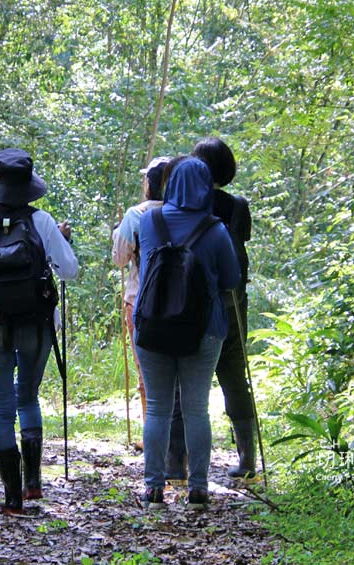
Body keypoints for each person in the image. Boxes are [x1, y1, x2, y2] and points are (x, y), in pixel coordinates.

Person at [0, 148, 78, 515]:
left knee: (0, 409)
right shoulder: (42, 221)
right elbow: (69, 271)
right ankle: (33, 482)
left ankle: (11, 498)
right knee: (28, 398)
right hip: (36, 326)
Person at [134, 156, 240, 509]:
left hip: (152, 325)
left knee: (158, 409)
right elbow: (231, 280)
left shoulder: (149, 221)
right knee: (196, 409)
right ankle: (198, 489)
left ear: (171, 185)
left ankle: (153, 488)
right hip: (203, 329)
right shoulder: (215, 230)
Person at [167, 138, 258, 479]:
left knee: (182, 379)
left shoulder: (185, 205)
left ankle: (176, 462)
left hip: (188, 303)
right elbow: (240, 245)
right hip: (232, 300)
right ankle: (247, 459)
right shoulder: (237, 206)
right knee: (234, 375)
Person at [111, 156, 170, 450]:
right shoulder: (186, 213)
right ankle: (173, 439)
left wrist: (117, 234)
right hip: (182, 301)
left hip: (140, 299)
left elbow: (119, 259)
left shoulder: (136, 215)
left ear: (149, 184)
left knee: (146, 373)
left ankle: (152, 437)